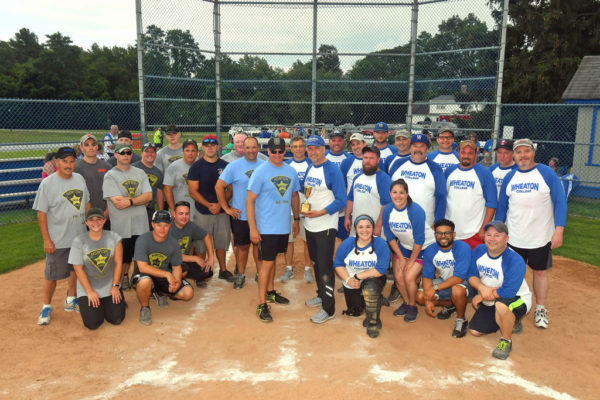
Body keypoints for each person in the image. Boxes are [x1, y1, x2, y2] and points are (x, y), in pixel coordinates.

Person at [496, 138, 567, 329]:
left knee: (540, 272)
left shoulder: (546, 173)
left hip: (540, 237)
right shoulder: (510, 177)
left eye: (526, 151)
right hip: (514, 236)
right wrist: (497, 230)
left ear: (533, 152)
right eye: (518, 152)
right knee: (513, 274)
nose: (522, 155)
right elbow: (502, 207)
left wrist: (559, 229)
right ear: (514, 155)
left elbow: (560, 202)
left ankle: (540, 308)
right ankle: (514, 309)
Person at [33, 146, 90, 325]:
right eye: (64, 161)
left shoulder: (79, 178)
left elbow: (86, 203)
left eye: (72, 161)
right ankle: (46, 306)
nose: (68, 165)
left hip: (79, 236)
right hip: (58, 239)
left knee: (75, 269)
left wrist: (89, 228)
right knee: (52, 276)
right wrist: (46, 239)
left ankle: (71, 298)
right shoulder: (48, 184)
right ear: (56, 162)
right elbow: (41, 214)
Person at [246, 137, 300, 322]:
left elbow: (294, 196)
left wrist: (297, 219)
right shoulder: (260, 172)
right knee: (266, 265)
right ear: (267, 151)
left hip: (282, 226)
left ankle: (270, 292)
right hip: (266, 227)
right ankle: (262, 304)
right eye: (274, 151)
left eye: (281, 151)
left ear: (285, 151)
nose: (277, 154)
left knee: (273, 261)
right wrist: (253, 228)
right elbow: (249, 200)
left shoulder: (291, 171)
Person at [467, 221, 532, 360]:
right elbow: (471, 275)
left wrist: (482, 296)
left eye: (497, 235)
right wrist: (481, 288)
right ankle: (508, 321)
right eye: (489, 234)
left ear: (506, 239)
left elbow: (508, 292)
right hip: (491, 296)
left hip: (518, 298)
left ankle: (506, 340)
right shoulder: (479, 250)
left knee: (502, 306)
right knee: (475, 330)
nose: (491, 238)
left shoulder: (514, 260)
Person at [302, 135, 347, 324]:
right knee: (317, 264)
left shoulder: (332, 170)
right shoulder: (310, 166)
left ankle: (329, 309)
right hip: (310, 225)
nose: (312, 152)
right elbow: (307, 193)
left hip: (325, 226)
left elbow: (341, 201)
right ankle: (321, 294)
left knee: (325, 268)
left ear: (323, 149)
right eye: (309, 149)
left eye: (316, 148)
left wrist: (320, 212)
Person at [216, 136, 264, 289]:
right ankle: (241, 274)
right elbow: (219, 186)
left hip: (260, 215)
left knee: (258, 246)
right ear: (243, 149)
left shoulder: (265, 165)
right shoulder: (234, 166)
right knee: (242, 247)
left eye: (254, 147)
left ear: (258, 148)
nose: (251, 150)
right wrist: (226, 208)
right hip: (241, 214)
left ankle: (259, 273)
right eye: (247, 147)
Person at [102, 143, 152, 290]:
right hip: (120, 224)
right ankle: (122, 278)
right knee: (121, 255)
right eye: (122, 153)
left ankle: (138, 278)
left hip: (140, 222)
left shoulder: (140, 173)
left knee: (137, 252)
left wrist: (130, 201)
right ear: (115, 155)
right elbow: (118, 202)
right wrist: (139, 199)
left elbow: (149, 196)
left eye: (128, 153)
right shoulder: (110, 175)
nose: (125, 155)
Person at [131, 210, 194, 325]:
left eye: (166, 225)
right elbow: (143, 267)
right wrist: (167, 275)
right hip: (144, 274)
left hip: (161, 275)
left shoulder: (173, 243)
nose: (162, 229)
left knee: (188, 294)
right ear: (153, 224)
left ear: (170, 225)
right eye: (159, 225)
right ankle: (145, 308)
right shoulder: (143, 240)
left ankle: (160, 292)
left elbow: (176, 267)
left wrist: (176, 283)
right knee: (145, 282)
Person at [334, 215, 390, 338]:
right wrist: (349, 280)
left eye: (368, 227)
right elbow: (338, 264)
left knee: (370, 290)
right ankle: (376, 301)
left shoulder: (380, 243)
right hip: (351, 281)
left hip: (373, 279)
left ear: (373, 228)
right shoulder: (348, 243)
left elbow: (381, 269)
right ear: (355, 229)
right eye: (361, 227)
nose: (364, 230)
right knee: (356, 311)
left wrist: (358, 276)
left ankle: (373, 322)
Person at [187, 135, 234, 281]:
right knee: (201, 245)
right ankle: (202, 272)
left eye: (213, 144)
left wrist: (220, 205)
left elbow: (230, 189)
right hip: (203, 211)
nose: (210, 147)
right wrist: (209, 205)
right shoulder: (196, 167)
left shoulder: (225, 166)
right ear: (203, 147)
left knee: (221, 242)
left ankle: (223, 270)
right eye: (206, 145)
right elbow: (193, 191)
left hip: (221, 211)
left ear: (218, 146)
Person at [389, 133, 446, 251]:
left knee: (425, 256)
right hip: (399, 221)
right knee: (398, 252)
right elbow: (389, 193)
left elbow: (441, 197)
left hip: (425, 223)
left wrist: (438, 221)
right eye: (415, 145)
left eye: (422, 146)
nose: (418, 149)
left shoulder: (435, 168)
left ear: (427, 148)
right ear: (410, 147)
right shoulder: (398, 164)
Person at [70, 208, 125, 330]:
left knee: (116, 319)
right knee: (93, 323)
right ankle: (95, 304)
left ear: (104, 220)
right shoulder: (79, 241)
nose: (95, 222)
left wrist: (115, 286)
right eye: (91, 220)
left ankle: (110, 303)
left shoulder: (114, 238)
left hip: (109, 285)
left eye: (99, 219)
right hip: (88, 287)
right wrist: (89, 291)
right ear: (86, 222)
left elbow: (118, 263)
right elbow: (78, 269)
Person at [417, 218, 473, 338]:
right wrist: (427, 299)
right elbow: (426, 276)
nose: (443, 236)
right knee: (420, 296)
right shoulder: (430, 250)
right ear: (435, 234)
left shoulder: (463, 247)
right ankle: (452, 304)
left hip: (467, 284)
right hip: (445, 282)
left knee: (457, 290)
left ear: (453, 234)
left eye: (447, 233)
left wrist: (435, 288)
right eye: (439, 233)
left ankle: (461, 319)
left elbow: (458, 278)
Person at [381, 179, 426, 322]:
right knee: (398, 277)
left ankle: (412, 307)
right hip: (404, 247)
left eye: (401, 192)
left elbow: (419, 240)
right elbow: (389, 236)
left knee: (408, 276)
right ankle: (408, 303)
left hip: (423, 248)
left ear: (407, 194)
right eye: (395, 192)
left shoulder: (415, 210)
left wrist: (411, 261)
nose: (398, 196)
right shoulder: (388, 209)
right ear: (390, 194)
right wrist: (400, 258)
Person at [444, 140, 497, 249]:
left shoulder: (484, 173)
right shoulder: (449, 171)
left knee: (472, 265)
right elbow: (442, 198)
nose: (466, 156)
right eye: (463, 152)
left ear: (476, 153)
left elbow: (491, 204)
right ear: (459, 153)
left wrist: (483, 229)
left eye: (470, 153)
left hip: (473, 232)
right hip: (451, 231)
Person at [281, 136, 313, 283]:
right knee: (289, 240)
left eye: (301, 146)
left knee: (307, 240)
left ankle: (308, 269)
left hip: (307, 210)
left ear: (305, 148)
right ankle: (288, 268)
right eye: (295, 146)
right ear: (291, 148)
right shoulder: (286, 165)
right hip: (289, 209)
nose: (298, 149)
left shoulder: (311, 164)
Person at [344, 146, 391, 237]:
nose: (367, 161)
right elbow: (350, 199)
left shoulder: (384, 179)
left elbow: (386, 205)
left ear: (378, 160)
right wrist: (347, 217)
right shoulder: (357, 177)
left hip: (374, 230)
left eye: (371, 158)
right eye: (365, 158)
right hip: (356, 227)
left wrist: (378, 226)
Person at [169, 201, 215, 288]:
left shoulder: (189, 225)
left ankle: (181, 277)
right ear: (174, 214)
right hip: (169, 262)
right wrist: (195, 258)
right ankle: (170, 286)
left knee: (207, 271)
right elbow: (172, 256)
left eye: (187, 214)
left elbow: (206, 236)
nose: (184, 217)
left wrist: (211, 258)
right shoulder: (168, 229)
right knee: (183, 269)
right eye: (181, 214)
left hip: (184, 260)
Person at [75, 134, 111, 225]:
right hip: (86, 216)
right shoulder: (77, 168)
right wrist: (90, 215)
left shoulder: (106, 166)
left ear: (97, 146)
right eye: (87, 145)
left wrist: (107, 212)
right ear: (82, 148)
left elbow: (112, 191)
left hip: (105, 213)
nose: (91, 147)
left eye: (93, 144)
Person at [132, 143, 165, 227]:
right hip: (133, 208)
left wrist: (160, 211)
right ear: (141, 153)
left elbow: (159, 192)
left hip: (149, 209)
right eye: (147, 151)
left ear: (155, 154)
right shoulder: (133, 168)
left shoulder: (158, 172)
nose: (150, 154)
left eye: (152, 152)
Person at [163, 139, 197, 219]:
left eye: (193, 150)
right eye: (187, 150)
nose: (190, 154)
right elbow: (167, 189)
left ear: (197, 152)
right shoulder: (173, 167)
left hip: (197, 210)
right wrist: (172, 209)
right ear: (183, 152)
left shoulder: (201, 165)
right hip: (179, 209)